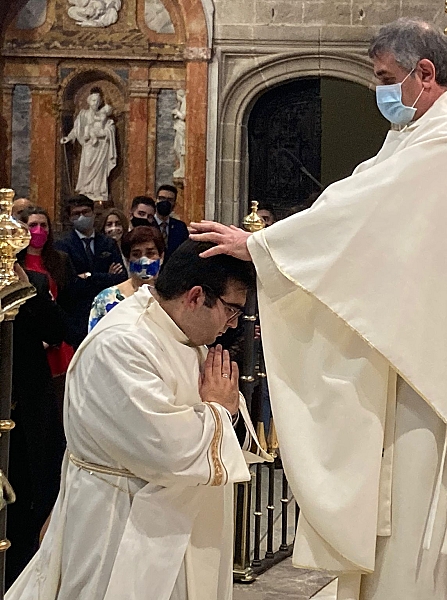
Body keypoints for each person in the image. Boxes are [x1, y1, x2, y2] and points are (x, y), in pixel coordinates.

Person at [190, 18, 447, 600]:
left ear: (425, 74)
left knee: (420, 523)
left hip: (439, 375)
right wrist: (272, 244)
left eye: (386, 79)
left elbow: (361, 217)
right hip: (418, 352)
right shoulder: (420, 135)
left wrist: (259, 246)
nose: (380, 92)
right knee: (400, 516)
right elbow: (354, 201)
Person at [7, 240, 271, 600]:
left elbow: (219, 405)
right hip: (121, 525)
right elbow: (165, 447)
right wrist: (221, 413)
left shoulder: (184, 334)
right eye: (231, 309)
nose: (233, 323)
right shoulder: (123, 344)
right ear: (195, 296)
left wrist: (223, 411)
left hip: (171, 522)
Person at [7, 266, 66, 588]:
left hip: (30, 418)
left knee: (29, 510)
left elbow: (59, 331)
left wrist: (27, 290)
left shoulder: (36, 282)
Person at [55, 194, 126, 347]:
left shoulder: (107, 243)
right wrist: (106, 276)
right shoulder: (62, 245)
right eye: (76, 214)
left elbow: (120, 278)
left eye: (86, 212)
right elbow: (70, 285)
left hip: (107, 314)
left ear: (93, 213)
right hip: (77, 317)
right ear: (70, 218)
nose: (82, 217)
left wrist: (87, 276)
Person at [18, 207, 76, 379]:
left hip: (58, 340)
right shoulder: (15, 262)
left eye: (43, 225)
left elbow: (68, 301)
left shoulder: (60, 259)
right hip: (28, 340)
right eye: (33, 225)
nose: (39, 230)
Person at [89, 226, 165, 330]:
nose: (144, 260)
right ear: (128, 260)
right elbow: (95, 342)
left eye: (150, 253)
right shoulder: (105, 299)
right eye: (136, 254)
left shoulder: (172, 297)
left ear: (161, 257)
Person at [60, 89, 117, 203]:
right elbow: (76, 129)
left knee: (100, 170)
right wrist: (69, 137)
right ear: (89, 101)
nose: (95, 103)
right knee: (87, 166)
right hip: (88, 146)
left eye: (98, 101)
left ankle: (98, 191)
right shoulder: (83, 114)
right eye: (93, 100)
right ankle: (86, 190)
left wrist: (103, 132)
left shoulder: (104, 116)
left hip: (102, 147)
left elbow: (110, 130)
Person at [154, 184, 189, 260]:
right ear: (156, 201)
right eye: (161, 198)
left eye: (169, 200)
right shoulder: (147, 224)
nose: (165, 202)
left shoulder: (180, 227)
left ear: (174, 204)